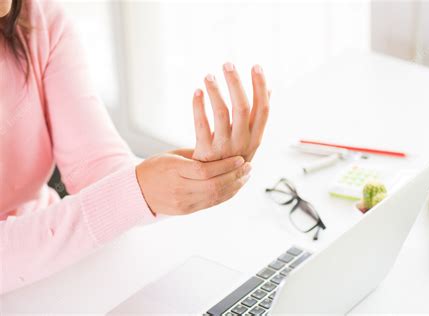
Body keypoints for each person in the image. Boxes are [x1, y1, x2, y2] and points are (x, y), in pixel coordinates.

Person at [0, 0, 269, 294]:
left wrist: (179, 178)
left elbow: (95, 164)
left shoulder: (39, 20)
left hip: (59, 269)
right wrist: (135, 193)